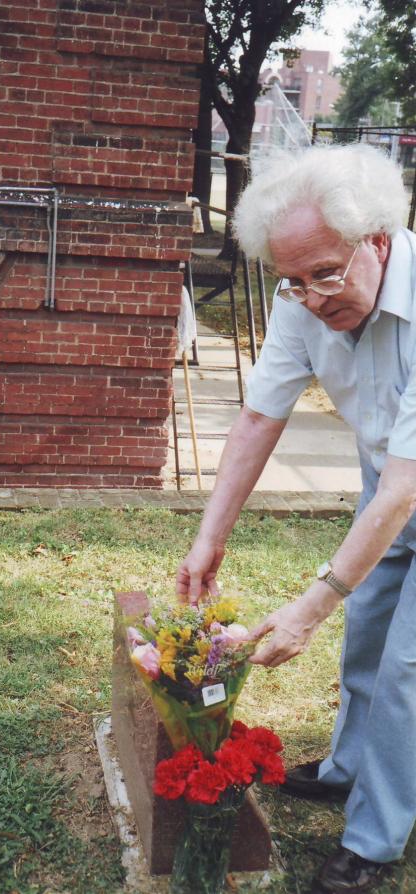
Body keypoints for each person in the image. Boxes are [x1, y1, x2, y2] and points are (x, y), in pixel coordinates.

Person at [176, 143, 416, 894]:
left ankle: (374, 839)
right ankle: (347, 766)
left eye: (327, 273)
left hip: (404, 480)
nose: (312, 296)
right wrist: (208, 538)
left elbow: (403, 491)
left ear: (377, 240)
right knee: (370, 626)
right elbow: (257, 418)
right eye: (292, 279)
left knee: (409, 666)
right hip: (392, 472)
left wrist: (312, 605)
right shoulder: (301, 300)